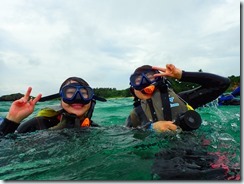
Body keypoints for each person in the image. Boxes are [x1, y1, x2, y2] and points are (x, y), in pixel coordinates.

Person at [125, 64, 230, 133]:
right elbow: (128, 133)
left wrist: (182, 75)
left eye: (151, 77)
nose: (144, 82)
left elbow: (222, 84)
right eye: (138, 80)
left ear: (160, 80)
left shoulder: (183, 99)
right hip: (161, 158)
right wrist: (151, 128)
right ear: (133, 89)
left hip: (195, 148)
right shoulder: (136, 114)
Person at [0, 77, 105, 136]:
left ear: (91, 99)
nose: (77, 98)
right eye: (70, 93)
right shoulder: (38, 124)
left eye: (84, 93)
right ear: (61, 98)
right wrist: (12, 120)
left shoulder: (94, 129)